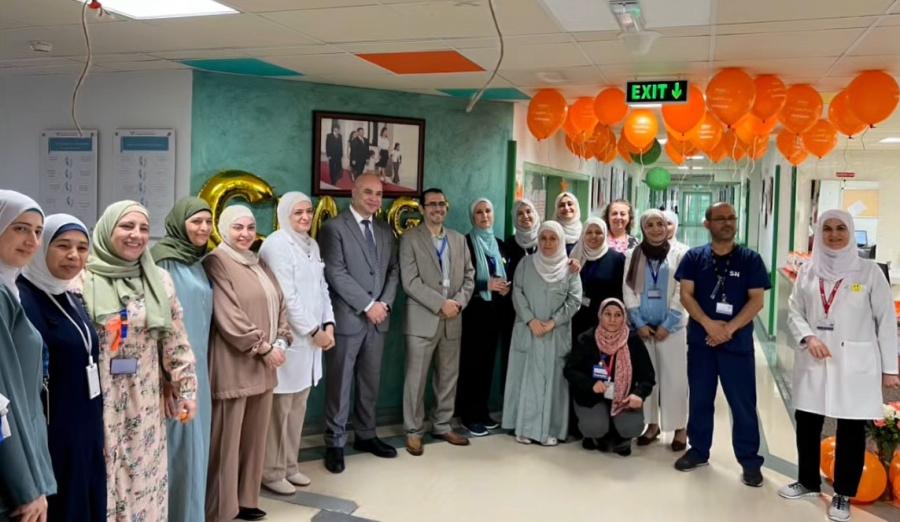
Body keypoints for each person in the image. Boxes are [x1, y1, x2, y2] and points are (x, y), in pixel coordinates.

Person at [75, 200, 198, 521]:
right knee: (102, 475)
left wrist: (185, 388)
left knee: (143, 479)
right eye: (127, 226)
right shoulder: (81, 278)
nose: (137, 235)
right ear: (106, 230)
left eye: (144, 228)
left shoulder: (159, 279)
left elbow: (175, 339)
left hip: (143, 398)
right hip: (95, 397)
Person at [779, 210, 899, 522]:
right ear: (819, 233)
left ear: (850, 231)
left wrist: (890, 369)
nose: (834, 234)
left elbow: (886, 321)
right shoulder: (808, 270)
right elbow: (795, 309)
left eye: (841, 228)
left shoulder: (869, 272)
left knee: (850, 428)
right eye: (827, 229)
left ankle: (844, 494)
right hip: (814, 358)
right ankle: (807, 481)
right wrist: (807, 336)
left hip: (854, 362)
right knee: (807, 422)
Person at [673, 202, 769, 488]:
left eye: (731, 218)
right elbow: (686, 295)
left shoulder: (750, 260)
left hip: (736, 344)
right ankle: (699, 450)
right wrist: (708, 324)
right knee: (700, 399)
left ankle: (749, 461)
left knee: (743, 404)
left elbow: (757, 300)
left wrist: (728, 328)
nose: (727, 223)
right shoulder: (694, 258)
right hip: (702, 342)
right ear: (707, 223)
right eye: (720, 218)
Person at [18, 214, 104, 522]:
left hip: (85, 430)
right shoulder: (22, 299)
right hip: (49, 436)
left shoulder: (70, 295)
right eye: (63, 246)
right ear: (42, 247)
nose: (73, 255)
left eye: (82, 248)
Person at [318, 173, 400, 473]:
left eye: (378, 194)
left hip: (378, 320)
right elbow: (335, 272)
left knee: (370, 382)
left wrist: (384, 304)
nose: (374, 199)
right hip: (348, 319)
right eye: (368, 192)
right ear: (353, 193)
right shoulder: (334, 228)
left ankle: (366, 434)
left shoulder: (385, 230)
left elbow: (393, 270)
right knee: (339, 383)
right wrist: (367, 305)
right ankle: (335, 442)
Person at [259, 192, 335, 494]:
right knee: (279, 409)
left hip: (312, 342)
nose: (305, 217)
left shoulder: (310, 244)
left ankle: (290, 465)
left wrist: (329, 323)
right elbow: (287, 297)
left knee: (297, 407)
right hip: (289, 339)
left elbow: (322, 288)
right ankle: (270, 471)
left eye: (308, 211)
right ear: (284, 215)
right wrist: (314, 330)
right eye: (297, 212)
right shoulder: (276, 245)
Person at [149, 197, 214, 522]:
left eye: (208, 221)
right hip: (174, 376)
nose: (203, 228)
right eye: (196, 221)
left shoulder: (195, 259)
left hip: (198, 370)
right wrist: (166, 378)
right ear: (178, 223)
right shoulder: (163, 261)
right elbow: (158, 324)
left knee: (195, 446)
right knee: (179, 447)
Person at [400, 188, 476, 455]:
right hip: (422, 319)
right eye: (431, 204)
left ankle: (442, 424)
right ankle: (413, 431)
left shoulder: (458, 239)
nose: (437, 208)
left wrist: (458, 303)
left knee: (448, 376)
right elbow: (410, 281)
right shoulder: (410, 239)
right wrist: (440, 303)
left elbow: (469, 276)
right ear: (422, 209)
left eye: (441, 204)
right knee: (416, 379)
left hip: (453, 318)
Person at [0, 191, 55, 522]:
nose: (32, 241)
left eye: (37, 231)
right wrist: (27, 486)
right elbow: (3, 400)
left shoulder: (10, 288)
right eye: (20, 228)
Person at [503, 221, 582, 446]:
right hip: (529, 330)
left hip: (555, 333)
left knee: (554, 381)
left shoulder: (570, 268)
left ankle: (550, 430)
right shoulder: (526, 264)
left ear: (560, 240)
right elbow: (517, 292)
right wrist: (530, 320)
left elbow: (574, 300)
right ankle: (524, 428)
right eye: (543, 238)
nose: (547, 243)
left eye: (553, 238)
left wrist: (553, 322)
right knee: (527, 379)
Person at [622, 210, 688, 451]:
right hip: (643, 329)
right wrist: (638, 322)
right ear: (643, 228)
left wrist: (668, 323)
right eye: (649, 225)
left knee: (675, 379)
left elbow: (683, 290)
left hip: (672, 328)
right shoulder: (633, 254)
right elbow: (628, 289)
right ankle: (652, 425)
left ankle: (680, 428)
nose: (656, 229)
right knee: (648, 378)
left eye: (660, 224)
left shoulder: (680, 254)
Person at [564, 298, 655, 456]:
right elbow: (570, 370)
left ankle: (622, 439)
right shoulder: (586, 338)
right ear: (600, 315)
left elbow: (648, 376)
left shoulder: (633, 341)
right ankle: (593, 436)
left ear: (624, 317)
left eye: (618, 315)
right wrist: (590, 384)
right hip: (592, 397)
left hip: (623, 398)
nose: (612, 319)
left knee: (631, 427)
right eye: (607, 314)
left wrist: (638, 394)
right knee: (594, 427)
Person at [455, 198, 510, 437]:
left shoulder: (499, 244)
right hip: (473, 313)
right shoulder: (465, 243)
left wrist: (506, 288)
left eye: (488, 211)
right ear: (472, 217)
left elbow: (506, 272)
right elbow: (459, 281)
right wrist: (484, 284)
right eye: (479, 212)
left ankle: (482, 411)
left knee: (488, 365)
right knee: (471, 365)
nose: (485, 215)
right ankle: (468, 416)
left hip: (494, 313)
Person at [500, 199, 540, 395]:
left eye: (529, 212)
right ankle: (513, 404)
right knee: (513, 358)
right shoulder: (508, 245)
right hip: (513, 313)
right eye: (520, 213)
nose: (525, 216)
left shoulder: (546, 241)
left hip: (541, 311)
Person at [570, 217, 626, 342]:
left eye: (598, 232)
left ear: (605, 234)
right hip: (576, 318)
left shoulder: (616, 259)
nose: (593, 236)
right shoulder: (575, 255)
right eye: (589, 232)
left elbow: (620, 293)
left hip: (604, 320)